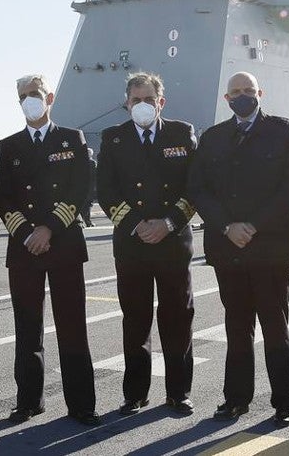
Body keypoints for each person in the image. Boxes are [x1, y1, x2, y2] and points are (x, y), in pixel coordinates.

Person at [188, 71, 289, 427]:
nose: (242, 97)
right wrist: (227, 225)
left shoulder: (286, 132)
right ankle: (236, 399)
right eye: (236, 92)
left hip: (271, 246)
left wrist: (253, 225)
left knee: (275, 323)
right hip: (229, 246)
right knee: (237, 325)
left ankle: (285, 400)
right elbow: (199, 188)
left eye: (249, 91)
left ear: (261, 93)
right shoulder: (212, 138)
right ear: (227, 99)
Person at [0, 74, 99, 426]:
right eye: (23, 96)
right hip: (25, 248)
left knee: (72, 326)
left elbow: (81, 187)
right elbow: (3, 196)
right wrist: (27, 232)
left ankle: (82, 404)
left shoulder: (72, 139)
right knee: (27, 328)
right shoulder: (8, 146)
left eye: (35, 94)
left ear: (49, 97)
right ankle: (28, 401)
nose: (29, 100)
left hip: (63, 242)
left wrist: (48, 228)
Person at [97, 73, 198, 416]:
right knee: (135, 320)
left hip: (172, 243)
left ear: (161, 102)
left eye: (148, 99)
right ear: (127, 103)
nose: (142, 105)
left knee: (177, 319)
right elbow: (106, 191)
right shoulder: (113, 139)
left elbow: (194, 187)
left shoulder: (181, 133)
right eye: (136, 100)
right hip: (133, 244)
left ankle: (179, 392)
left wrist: (168, 223)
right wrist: (136, 225)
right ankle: (135, 394)